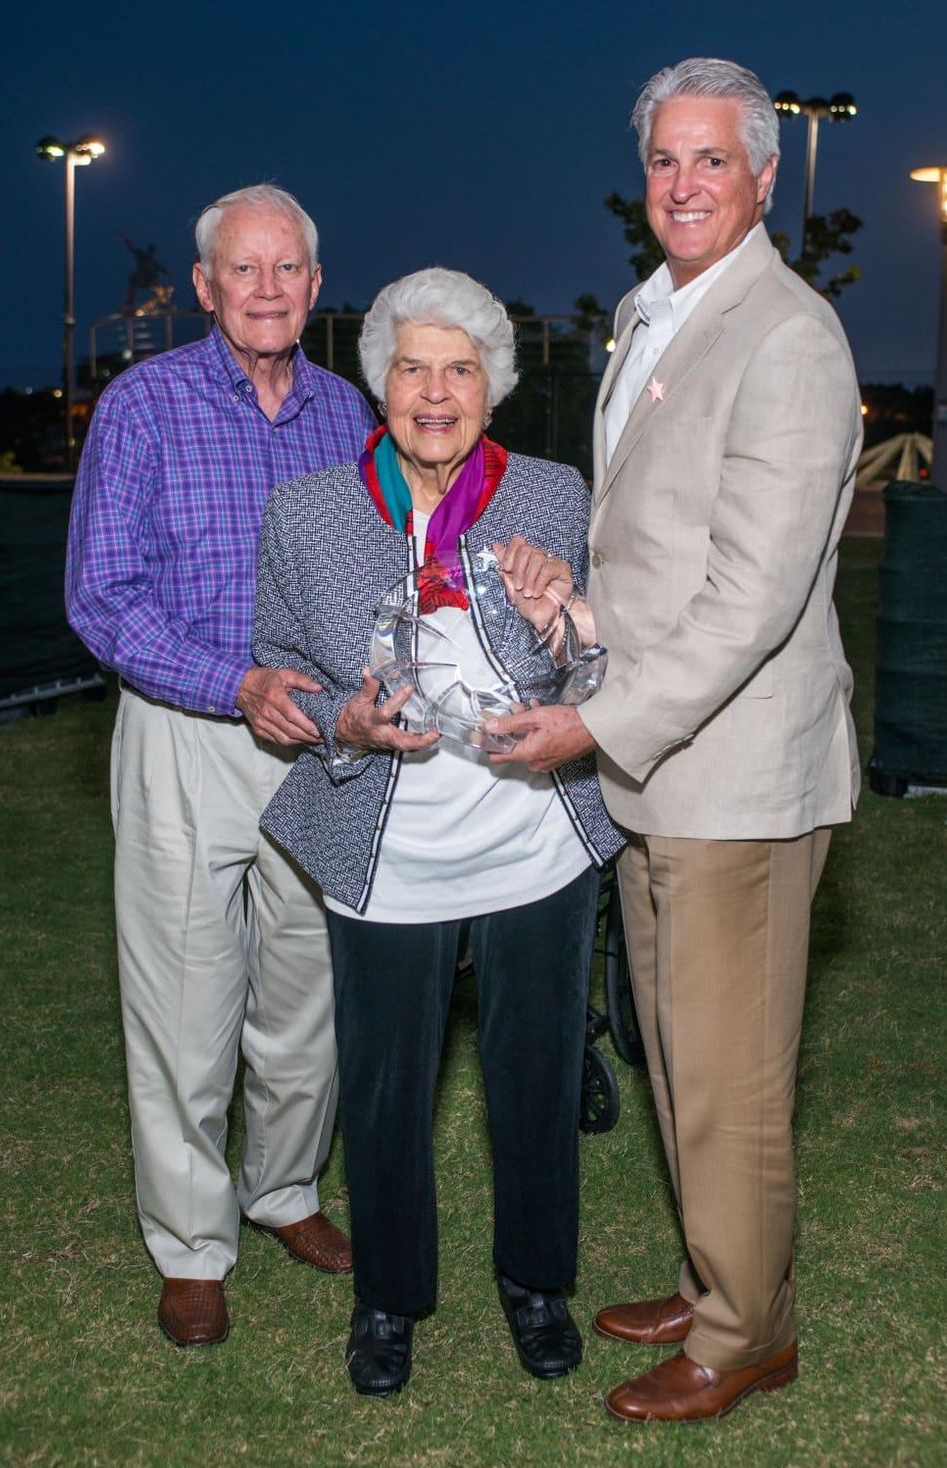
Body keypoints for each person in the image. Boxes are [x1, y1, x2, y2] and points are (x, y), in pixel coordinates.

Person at [485, 59, 862, 1423]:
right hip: (664, 764)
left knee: (730, 1072)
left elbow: (755, 599)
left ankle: (746, 1332)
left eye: (714, 161)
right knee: (681, 1055)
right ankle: (723, 1276)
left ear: (765, 176)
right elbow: (665, 573)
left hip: (737, 780)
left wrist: (595, 717)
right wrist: (574, 613)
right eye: (666, 163)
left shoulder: (788, 333)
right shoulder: (661, 313)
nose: (686, 184)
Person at [252, 267, 623, 1396]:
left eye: (459, 369)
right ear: (380, 383)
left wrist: (563, 622)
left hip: (533, 840)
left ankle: (536, 1283)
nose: (434, 391)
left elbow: (601, 664)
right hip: (386, 847)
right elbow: (280, 675)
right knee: (382, 1082)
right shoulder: (310, 510)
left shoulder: (553, 493)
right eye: (412, 367)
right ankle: (388, 1299)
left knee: (533, 1070)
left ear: (491, 388)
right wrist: (343, 719)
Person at [66, 184, 375, 1347]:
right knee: (187, 1000)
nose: (264, 289)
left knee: (308, 992)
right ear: (202, 287)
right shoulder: (142, 406)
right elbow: (102, 594)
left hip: (316, 738)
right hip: (186, 729)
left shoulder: (347, 411)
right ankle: (193, 1244)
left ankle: (284, 1189)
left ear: (313, 282)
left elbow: (380, 570)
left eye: (286, 268)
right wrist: (229, 682)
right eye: (241, 270)